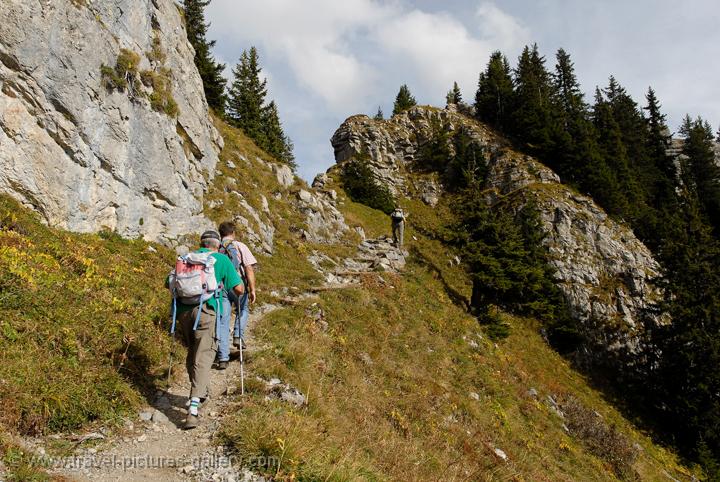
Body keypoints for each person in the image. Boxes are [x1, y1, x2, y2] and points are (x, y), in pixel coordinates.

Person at [173, 230, 243, 429]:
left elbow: (168, 283)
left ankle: (200, 391)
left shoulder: (187, 258)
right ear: (218, 245)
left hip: (184, 312)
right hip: (206, 310)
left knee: (193, 351)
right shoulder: (220, 259)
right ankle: (194, 406)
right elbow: (238, 288)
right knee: (204, 355)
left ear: (201, 243)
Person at [217, 221, 257, 363]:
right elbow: (249, 269)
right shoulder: (240, 246)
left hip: (221, 287)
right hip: (238, 284)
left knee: (223, 319)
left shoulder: (216, 248)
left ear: (220, 234)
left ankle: (222, 357)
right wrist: (252, 289)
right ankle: (238, 336)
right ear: (233, 233)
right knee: (243, 309)